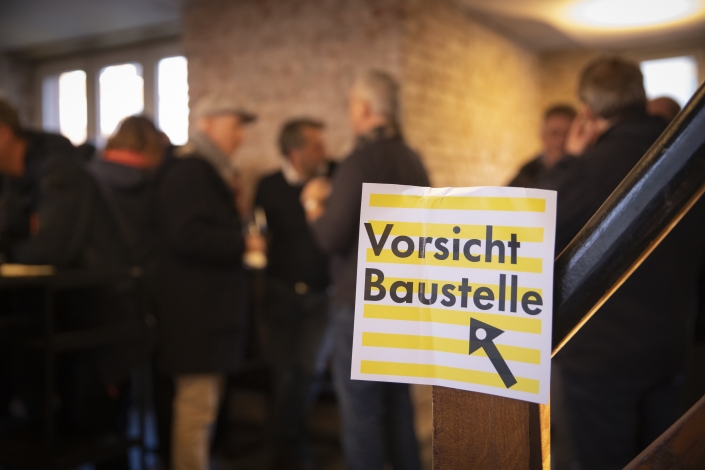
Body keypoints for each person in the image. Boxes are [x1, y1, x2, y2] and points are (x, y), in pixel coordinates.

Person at [536, 57, 705, 469]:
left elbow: (534, 228)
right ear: (640, 95)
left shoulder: (590, 167)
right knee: (667, 459)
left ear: (587, 110)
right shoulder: (687, 153)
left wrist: (568, 160)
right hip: (671, 343)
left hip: (600, 355)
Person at [301, 70, 428, 470]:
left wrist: (313, 205)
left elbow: (331, 236)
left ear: (365, 109)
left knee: (362, 414)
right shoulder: (412, 159)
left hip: (361, 303)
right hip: (402, 299)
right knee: (398, 407)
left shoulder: (359, 161)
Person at [154, 95, 260, 470]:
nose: (240, 136)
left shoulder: (209, 172)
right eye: (235, 126)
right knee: (196, 409)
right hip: (195, 318)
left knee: (204, 409)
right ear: (207, 124)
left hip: (206, 316)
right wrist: (242, 243)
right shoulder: (190, 171)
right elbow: (186, 235)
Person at [253, 118, 336, 470]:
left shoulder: (335, 179)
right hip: (281, 293)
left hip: (323, 295)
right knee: (284, 372)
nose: (324, 152)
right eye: (316, 146)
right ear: (294, 152)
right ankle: (292, 447)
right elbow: (259, 232)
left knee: (310, 369)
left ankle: (281, 442)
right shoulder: (269, 185)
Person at [0, 98, 126, 268]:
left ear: (3, 135)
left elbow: (49, 251)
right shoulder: (11, 178)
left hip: (93, 281)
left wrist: (8, 252)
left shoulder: (59, 171)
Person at [508, 104, 576, 188]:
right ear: (542, 135)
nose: (561, 140)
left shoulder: (584, 172)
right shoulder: (527, 173)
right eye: (554, 133)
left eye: (568, 134)